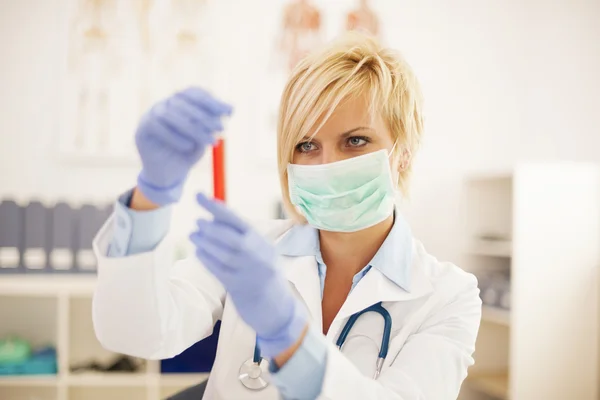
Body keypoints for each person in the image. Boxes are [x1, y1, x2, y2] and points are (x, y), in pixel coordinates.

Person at [92, 32, 482, 399]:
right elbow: (135, 331)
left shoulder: (449, 297)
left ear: (404, 151)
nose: (327, 164)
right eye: (307, 144)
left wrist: (286, 332)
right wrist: (152, 195)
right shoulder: (252, 253)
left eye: (355, 141)